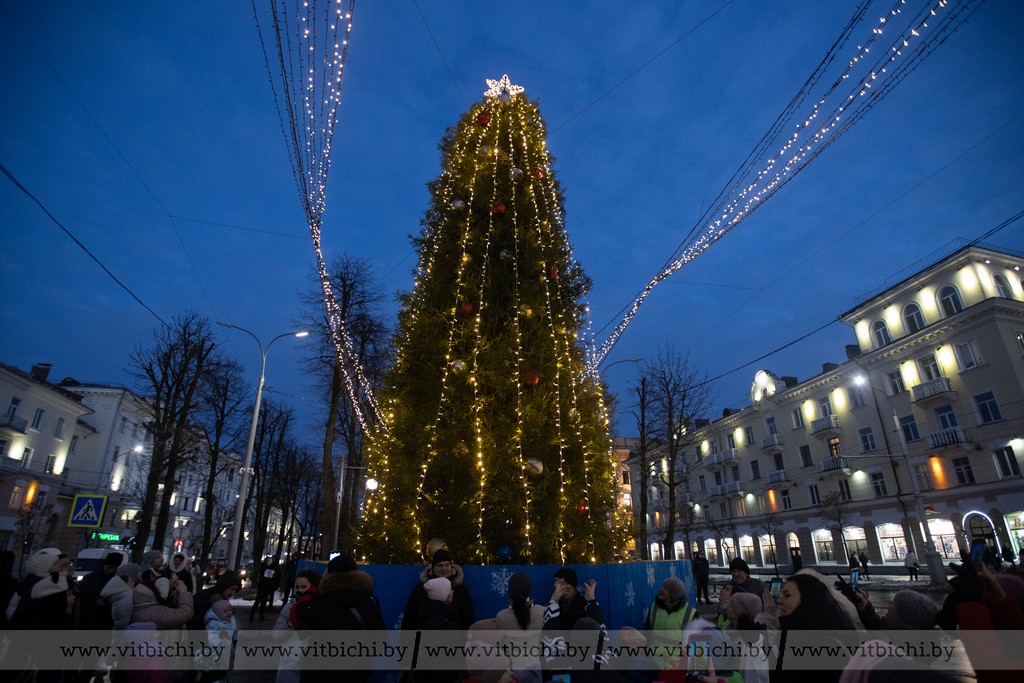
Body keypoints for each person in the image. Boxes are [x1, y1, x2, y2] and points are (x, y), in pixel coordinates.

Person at [300, 553, 385, 683]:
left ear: (329, 575)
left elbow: (306, 622)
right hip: (354, 673)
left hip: (319, 673)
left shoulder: (322, 602)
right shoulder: (369, 603)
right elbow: (380, 643)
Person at [775, 572, 857, 683]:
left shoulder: (819, 648)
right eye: (780, 594)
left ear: (808, 599)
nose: (779, 600)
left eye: (787, 595)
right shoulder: (824, 626)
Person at [401, 548, 474, 631]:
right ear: (433, 567)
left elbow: (467, 619)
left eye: (447, 565)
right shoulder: (421, 589)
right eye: (440, 566)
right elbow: (410, 618)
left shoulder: (460, 589)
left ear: (451, 566)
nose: (444, 569)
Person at [494, 572, 545, 683]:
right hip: (536, 670)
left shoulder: (502, 616)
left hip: (514, 673)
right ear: (529, 589)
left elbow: (499, 646)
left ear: (510, 591)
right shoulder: (542, 611)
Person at [644, 577, 697, 673]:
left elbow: (696, 645)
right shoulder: (654, 609)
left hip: (677, 667)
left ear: (673, 594)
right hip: (654, 664)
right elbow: (647, 634)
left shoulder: (690, 613)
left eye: (665, 588)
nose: (660, 589)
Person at [78, 551, 122, 630]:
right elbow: (83, 597)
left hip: (106, 619)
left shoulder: (115, 579)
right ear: (104, 565)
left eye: (114, 568)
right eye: (109, 568)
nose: (111, 571)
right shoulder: (90, 579)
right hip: (90, 617)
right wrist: (94, 602)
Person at [252, 556, 279, 621]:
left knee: (264, 602)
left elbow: (275, 577)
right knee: (258, 601)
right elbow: (260, 576)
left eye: (270, 560)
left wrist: (272, 577)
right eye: (267, 560)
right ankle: (252, 615)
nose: (268, 562)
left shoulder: (273, 568)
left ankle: (261, 615)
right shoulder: (263, 567)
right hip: (262, 586)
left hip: (268, 587)